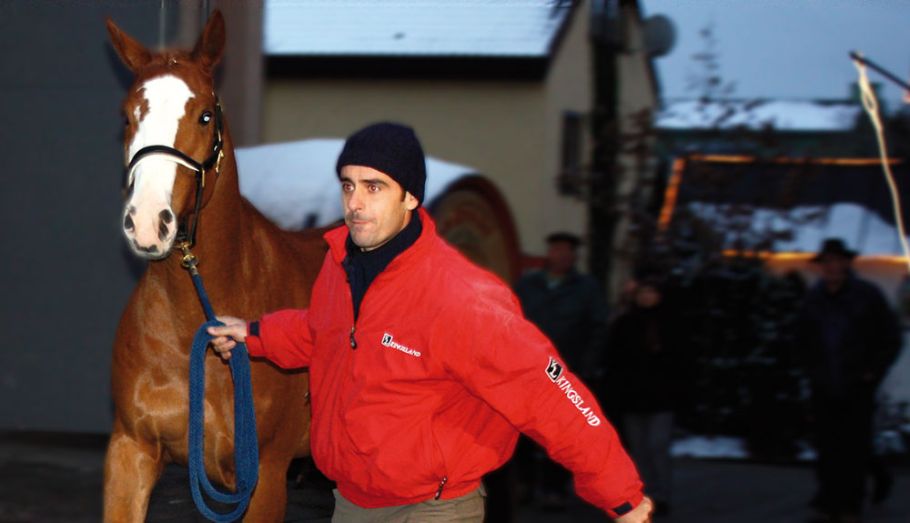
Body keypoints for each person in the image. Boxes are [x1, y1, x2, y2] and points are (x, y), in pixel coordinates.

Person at [207, 122, 651, 522]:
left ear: (411, 197)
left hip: (433, 507)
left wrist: (622, 497)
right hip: (352, 502)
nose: (355, 203)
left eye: (374, 187)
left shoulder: (459, 297)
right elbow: (324, 332)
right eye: (348, 185)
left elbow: (548, 395)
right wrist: (254, 335)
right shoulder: (340, 265)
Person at [796, 238, 902, 523]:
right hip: (824, 383)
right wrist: (810, 369)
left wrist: (872, 371)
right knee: (828, 444)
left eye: (836, 261)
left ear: (846, 263)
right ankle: (828, 501)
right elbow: (802, 338)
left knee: (853, 445)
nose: (831, 268)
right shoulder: (814, 299)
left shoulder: (867, 296)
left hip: (857, 383)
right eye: (826, 262)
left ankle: (849, 505)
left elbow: (890, 338)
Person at [512, 231, 608, 509]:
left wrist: (587, 366)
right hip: (528, 371)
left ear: (574, 256)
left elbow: (598, 328)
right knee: (522, 432)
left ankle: (554, 488)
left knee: (560, 434)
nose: (562, 255)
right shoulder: (528, 284)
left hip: (567, 372)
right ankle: (525, 484)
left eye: (567, 251)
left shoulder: (586, 287)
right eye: (557, 250)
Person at [604, 276, 681, 517]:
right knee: (638, 448)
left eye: (651, 292)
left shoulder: (670, 323)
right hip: (632, 394)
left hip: (661, 395)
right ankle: (643, 494)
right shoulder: (626, 323)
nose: (647, 297)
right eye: (643, 292)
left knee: (657, 445)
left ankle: (661, 493)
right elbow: (614, 358)